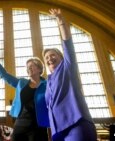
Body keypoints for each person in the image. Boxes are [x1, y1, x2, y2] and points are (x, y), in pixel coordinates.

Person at [42, 8, 97, 141]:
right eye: (47, 58)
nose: (49, 59)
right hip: (58, 131)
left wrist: (60, 21)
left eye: (53, 55)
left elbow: (68, 45)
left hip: (76, 124)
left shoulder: (67, 68)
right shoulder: (48, 81)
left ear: (61, 57)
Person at [0, 44, 50, 141]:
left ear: (40, 69)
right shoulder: (21, 83)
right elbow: (5, 75)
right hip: (21, 124)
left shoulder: (48, 85)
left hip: (39, 126)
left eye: (32, 66)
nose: (29, 69)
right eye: (27, 67)